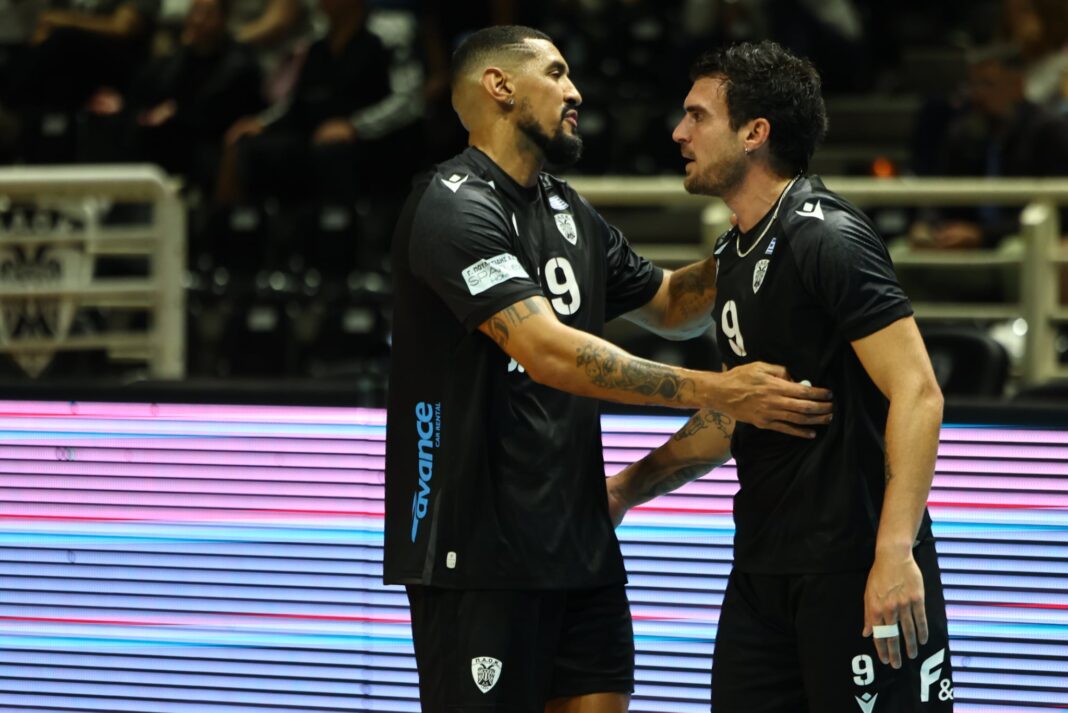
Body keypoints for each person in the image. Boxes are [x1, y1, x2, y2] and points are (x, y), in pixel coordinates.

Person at [383, 26, 834, 713]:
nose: (575, 92)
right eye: (556, 72)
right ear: (499, 86)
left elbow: (672, 305)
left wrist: (763, 228)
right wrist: (720, 391)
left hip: (578, 544)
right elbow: (547, 352)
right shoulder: (453, 204)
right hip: (477, 551)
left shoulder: (566, 208)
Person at [606, 41, 955, 712]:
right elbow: (742, 409)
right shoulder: (735, 250)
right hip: (763, 569)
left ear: (755, 132)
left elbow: (918, 391)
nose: (679, 132)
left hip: (852, 566)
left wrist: (893, 552)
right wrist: (630, 486)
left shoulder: (826, 237)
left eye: (697, 116)